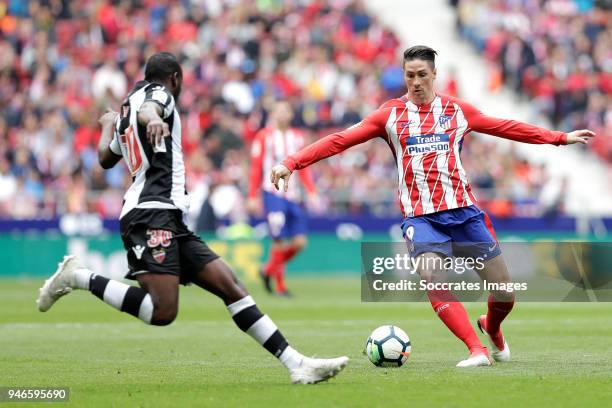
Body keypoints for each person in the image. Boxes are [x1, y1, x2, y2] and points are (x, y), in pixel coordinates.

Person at [270, 45, 595, 367]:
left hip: (465, 215)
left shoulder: (457, 111)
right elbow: (339, 140)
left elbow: (506, 127)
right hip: (422, 219)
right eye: (410, 75)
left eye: (422, 75)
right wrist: (292, 161)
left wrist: (557, 137)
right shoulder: (390, 116)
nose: (416, 82)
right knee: (432, 277)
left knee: (505, 294)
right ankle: (475, 350)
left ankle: (492, 327)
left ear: (434, 75)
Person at [36, 52, 348, 384]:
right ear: (174, 78)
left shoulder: (124, 109)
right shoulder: (157, 96)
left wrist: (105, 126)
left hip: (168, 216)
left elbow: (105, 157)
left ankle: (295, 363)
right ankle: (79, 277)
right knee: (163, 311)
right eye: (179, 82)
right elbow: (151, 108)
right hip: (150, 214)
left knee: (231, 287)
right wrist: (155, 118)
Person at [247, 102, 317, 296]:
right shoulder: (264, 136)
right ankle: (280, 286)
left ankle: (267, 270)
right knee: (278, 239)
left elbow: (304, 166)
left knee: (300, 242)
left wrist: (311, 190)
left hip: (293, 195)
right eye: (278, 111)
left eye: (285, 110)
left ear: (291, 114)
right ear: (273, 114)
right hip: (272, 193)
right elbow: (256, 167)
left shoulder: (297, 137)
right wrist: (252, 195)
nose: (282, 114)